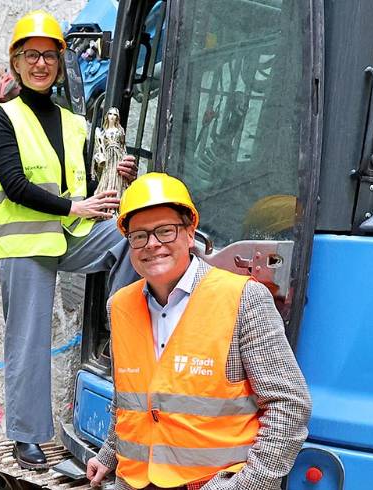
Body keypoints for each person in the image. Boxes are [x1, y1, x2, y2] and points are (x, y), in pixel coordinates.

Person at [85, 174, 310, 490]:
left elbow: (290, 405)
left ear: (190, 232)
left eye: (165, 231)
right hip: (134, 482)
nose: (152, 244)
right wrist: (108, 455)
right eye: (139, 235)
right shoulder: (120, 305)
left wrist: (247, 484)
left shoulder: (242, 298)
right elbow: (131, 401)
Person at [0, 9, 138, 470]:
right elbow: (15, 184)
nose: (40, 64)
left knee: (132, 235)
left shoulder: (74, 122)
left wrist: (116, 174)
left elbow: (86, 186)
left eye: (48, 55)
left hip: (69, 234)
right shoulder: (3, 119)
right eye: (30, 55)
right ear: (16, 62)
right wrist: (76, 207)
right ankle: (27, 436)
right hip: (27, 244)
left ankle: (123, 328)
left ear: (58, 61)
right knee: (28, 341)